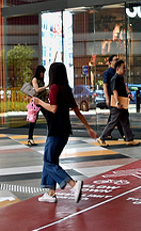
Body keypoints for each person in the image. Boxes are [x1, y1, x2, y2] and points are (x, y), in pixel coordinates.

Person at [32, 62, 97, 203]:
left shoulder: (55, 88)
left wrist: (40, 102)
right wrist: (88, 128)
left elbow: (53, 108)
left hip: (55, 130)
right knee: (51, 160)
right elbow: (77, 111)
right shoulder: (66, 89)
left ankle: (73, 185)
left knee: (48, 162)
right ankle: (50, 193)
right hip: (65, 130)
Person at [97, 60, 138, 147]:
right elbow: (114, 91)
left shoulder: (120, 78)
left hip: (122, 103)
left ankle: (129, 139)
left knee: (125, 121)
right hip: (117, 105)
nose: (125, 69)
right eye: (123, 67)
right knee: (113, 122)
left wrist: (129, 94)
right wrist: (117, 102)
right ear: (118, 68)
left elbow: (125, 86)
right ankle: (102, 137)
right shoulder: (115, 78)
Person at [100, 55, 125, 140]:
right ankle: (123, 135)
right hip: (112, 98)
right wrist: (107, 98)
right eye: (115, 60)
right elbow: (105, 86)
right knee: (115, 117)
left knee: (115, 117)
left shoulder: (119, 71)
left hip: (119, 97)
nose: (117, 61)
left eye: (118, 59)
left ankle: (109, 134)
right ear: (110, 62)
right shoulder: (108, 73)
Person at [26, 65, 48, 146]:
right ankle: (30, 138)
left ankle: (50, 135)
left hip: (41, 101)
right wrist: (46, 87)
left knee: (48, 117)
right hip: (35, 102)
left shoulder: (41, 80)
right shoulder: (34, 79)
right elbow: (37, 90)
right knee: (33, 120)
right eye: (42, 72)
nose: (42, 74)